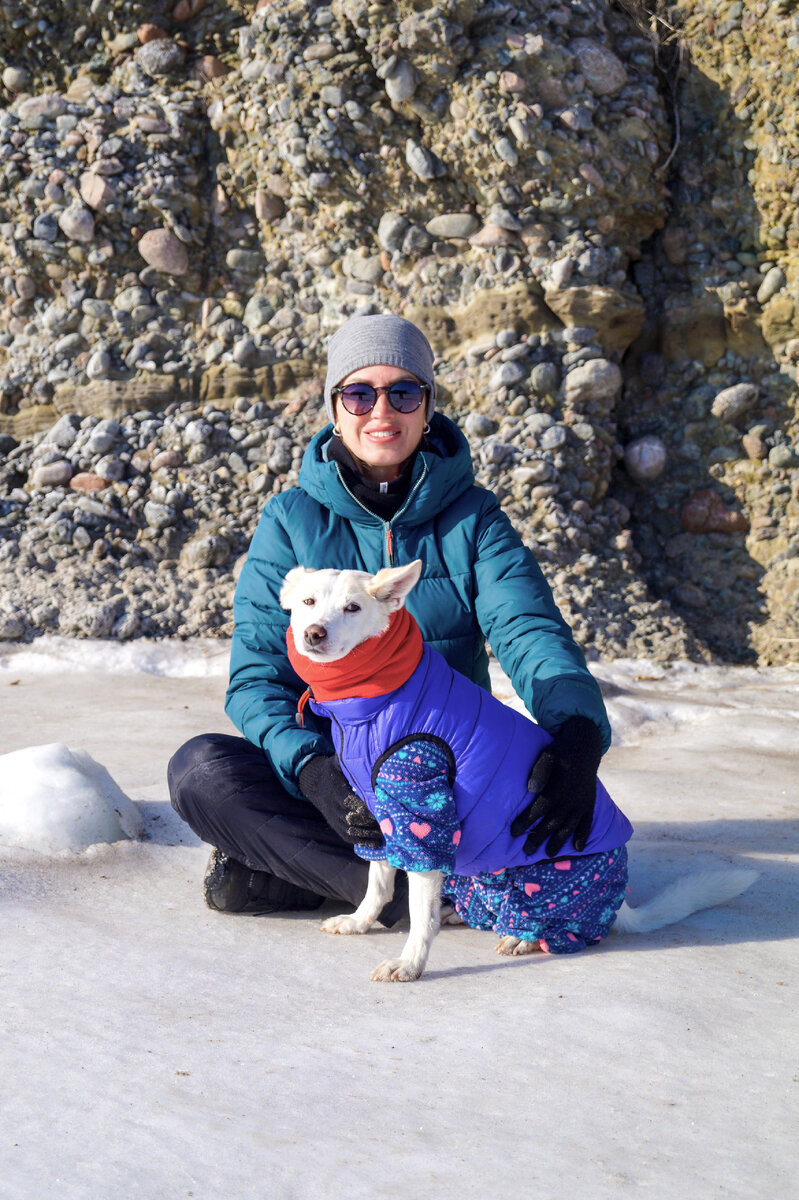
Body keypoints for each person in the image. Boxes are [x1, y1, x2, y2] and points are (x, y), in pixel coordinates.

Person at [168, 312, 611, 924]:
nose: (382, 410)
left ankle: (331, 875)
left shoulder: (474, 519)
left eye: (403, 392)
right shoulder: (291, 520)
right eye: (359, 393)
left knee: (511, 782)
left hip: (442, 775)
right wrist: (315, 770)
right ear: (335, 407)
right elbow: (257, 678)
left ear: (427, 407)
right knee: (201, 772)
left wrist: (578, 733)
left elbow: (528, 630)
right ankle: (412, 889)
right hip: (338, 771)